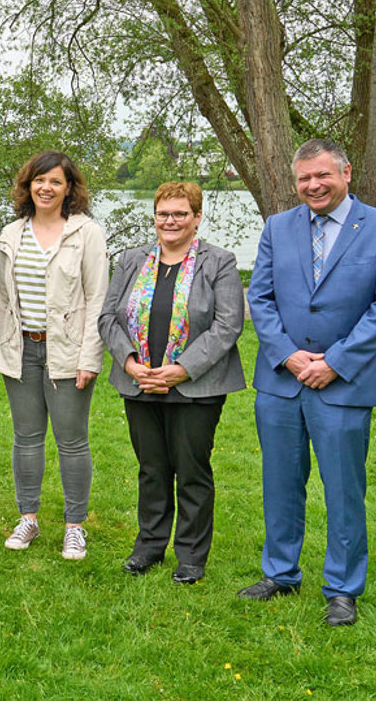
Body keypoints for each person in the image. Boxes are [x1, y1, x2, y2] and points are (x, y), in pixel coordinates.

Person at [239, 139, 376, 627]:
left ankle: (342, 587)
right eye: (304, 179)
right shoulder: (278, 227)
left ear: (346, 173)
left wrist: (334, 362)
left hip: (344, 383)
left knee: (343, 489)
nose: (313, 185)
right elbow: (262, 297)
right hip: (282, 382)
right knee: (280, 484)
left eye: (322, 176)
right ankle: (280, 573)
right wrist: (290, 356)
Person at [98, 182, 245, 584]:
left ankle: (191, 556)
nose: (171, 220)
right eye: (164, 213)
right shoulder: (131, 260)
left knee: (191, 469)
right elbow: (108, 318)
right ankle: (149, 545)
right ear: (155, 216)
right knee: (151, 469)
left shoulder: (220, 262)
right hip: (140, 383)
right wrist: (130, 363)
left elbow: (228, 324)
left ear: (197, 217)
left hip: (195, 388)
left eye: (181, 213)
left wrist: (181, 368)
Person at [0, 151, 107, 560]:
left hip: (68, 352)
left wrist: (90, 357)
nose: (46, 188)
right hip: (21, 349)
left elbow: (97, 299)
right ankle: (29, 518)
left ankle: (75, 526)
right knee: (27, 438)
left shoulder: (86, 233)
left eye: (55, 181)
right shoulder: (12, 234)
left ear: (69, 187)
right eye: (38, 180)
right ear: (27, 186)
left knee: (72, 442)